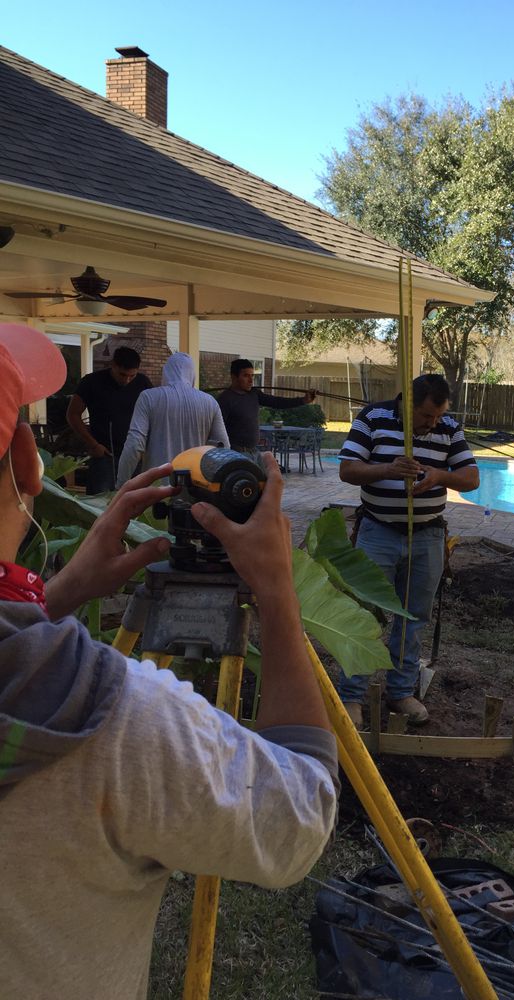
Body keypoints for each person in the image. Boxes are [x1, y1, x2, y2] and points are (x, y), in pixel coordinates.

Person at [0, 323, 338, 999]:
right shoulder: (116, 721)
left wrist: (59, 597)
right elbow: (296, 817)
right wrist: (275, 591)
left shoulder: (152, 404)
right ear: (27, 467)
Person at [337, 374, 479, 728]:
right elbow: (347, 470)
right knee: (364, 615)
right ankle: (352, 695)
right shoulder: (373, 418)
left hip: (428, 536)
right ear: (407, 403)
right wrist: (387, 468)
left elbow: (472, 478)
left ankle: (400, 692)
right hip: (377, 532)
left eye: (437, 417)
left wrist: (439, 476)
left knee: (414, 617)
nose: (432, 424)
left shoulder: (449, 428)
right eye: (426, 416)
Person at [116, 352, 228, 485]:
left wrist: (121, 484)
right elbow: (223, 447)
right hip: (195, 487)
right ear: (192, 374)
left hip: (157, 488)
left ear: (166, 372)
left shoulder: (149, 398)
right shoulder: (210, 402)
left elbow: (134, 444)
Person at [66, 345, 152, 494]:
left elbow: (153, 416)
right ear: (113, 365)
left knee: (135, 501)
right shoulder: (92, 381)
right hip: (104, 454)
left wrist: (147, 448)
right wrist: (93, 444)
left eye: (132, 376)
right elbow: (72, 414)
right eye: (122, 374)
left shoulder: (143, 383)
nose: (127, 380)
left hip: (135, 454)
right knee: (99, 504)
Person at [218, 358, 317, 456]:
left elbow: (277, 402)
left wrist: (303, 400)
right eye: (246, 376)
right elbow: (219, 430)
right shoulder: (226, 399)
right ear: (234, 377)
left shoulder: (254, 394)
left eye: (252, 376)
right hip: (235, 453)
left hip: (253, 451)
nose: (251, 380)